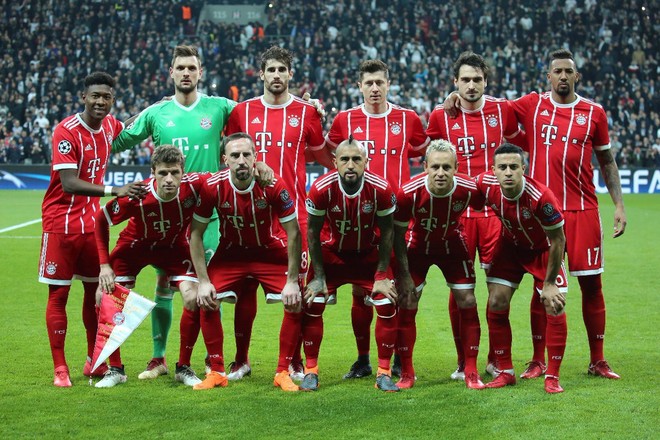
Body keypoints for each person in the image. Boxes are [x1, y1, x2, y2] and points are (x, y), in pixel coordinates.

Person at [112, 45, 241, 381]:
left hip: (206, 216)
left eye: (192, 68)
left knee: (207, 287)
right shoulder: (156, 113)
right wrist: (88, 123)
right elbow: (115, 140)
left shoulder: (221, 108)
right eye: (180, 67)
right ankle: (159, 359)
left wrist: (309, 106)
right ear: (171, 72)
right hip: (166, 215)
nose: (186, 73)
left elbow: (261, 114)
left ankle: (206, 361)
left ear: (200, 73)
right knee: (163, 283)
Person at [507, 49, 626, 379]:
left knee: (592, 286)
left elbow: (607, 161)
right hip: (543, 214)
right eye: (556, 71)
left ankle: (597, 360)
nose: (562, 76)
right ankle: (536, 359)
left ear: (576, 77)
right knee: (540, 287)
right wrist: (454, 97)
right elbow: (492, 108)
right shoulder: (532, 105)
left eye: (567, 71)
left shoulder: (594, 112)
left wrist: (618, 205)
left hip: (583, 210)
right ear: (548, 76)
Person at [223, 46, 331, 381]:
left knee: (295, 291)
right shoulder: (242, 111)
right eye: (271, 70)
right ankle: (241, 359)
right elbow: (228, 156)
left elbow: (322, 155)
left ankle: (294, 361)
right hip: (251, 215)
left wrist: (323, 117)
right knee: (246, 289)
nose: (276, 76)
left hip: (293, 215)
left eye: (282, 70)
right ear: (262, 74)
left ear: (289, 74)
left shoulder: (306, 112)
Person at [39, 72, 145, 387]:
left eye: (106, 97)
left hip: (90, 226)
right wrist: (115, 191)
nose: (100, 101)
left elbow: (129, 122)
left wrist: (160, 105)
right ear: (84, 97)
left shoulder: (110, 126)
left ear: (112, 101)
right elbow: (69, 183)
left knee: (93, 295)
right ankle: (60, 369)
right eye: (95, 95)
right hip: (60, 224)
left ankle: (93, 360)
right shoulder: (65, 131)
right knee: (58, 294)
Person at [324, 59, 429, 379]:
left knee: (396, 288)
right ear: (359, 86)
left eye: (379, 83)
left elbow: (424, 151)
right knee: (360, 291)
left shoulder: (407, 119)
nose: (374, 88)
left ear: (388, 84)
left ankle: (397, 358)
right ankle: (363, 359)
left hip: (396, 220)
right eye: (368, 83)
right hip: (359, 220)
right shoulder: (345, 120)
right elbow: (334, 161)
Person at [427, 51, 524, 381]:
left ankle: (497, 359)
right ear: (455, 82)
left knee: (498, 290)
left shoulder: (503, 110)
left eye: (477, 79)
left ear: (486, 81)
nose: (471, 85)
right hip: (458, 216)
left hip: (496, 215)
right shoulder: (440, 117)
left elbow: (530, 131)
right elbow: (430, 159)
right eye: (465, 79)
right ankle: (462, 360)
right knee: (460, 291)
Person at [93, 146, 222, 389]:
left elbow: (226, 176)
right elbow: (102, 220)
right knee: (105, 295)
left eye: (175, 172)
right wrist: (104, 265)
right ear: (153, 172)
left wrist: (259, 167)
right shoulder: (137, 194)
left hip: (174, 247)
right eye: (163, 173)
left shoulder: (194, 186)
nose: (169, 179)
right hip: (135, 246)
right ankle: (116, 369)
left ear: (184, 172)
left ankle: (183, 366)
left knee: (194, 297)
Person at [190, 133, 303, 392]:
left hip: (269, 252)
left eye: (246, 154)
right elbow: (195, 233)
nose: (241, 160)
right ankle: (217, 371)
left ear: (255, 158)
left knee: (296, 301)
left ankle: (283, 371)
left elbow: (294, 232)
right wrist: (203, 280)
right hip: (232, 253)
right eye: (235, 155)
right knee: (206, 298)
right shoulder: (212, 186)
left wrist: (292, 281)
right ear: (225, 160)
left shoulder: (273, 184)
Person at [302, 137, 399, 392]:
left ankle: (383, 372)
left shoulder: (380, 188)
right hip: (332, 255)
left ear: (366, 162)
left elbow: (388, 233)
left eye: (356, 159)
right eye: (344, 159)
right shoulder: (321, 188)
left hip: (368, 255)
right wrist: (319, 275)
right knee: (312, 301)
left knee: (387, 301)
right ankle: (310, 371)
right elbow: (312, 233)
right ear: (335, 162)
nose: (350, 164)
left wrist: (381, 274)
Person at [474, 143, 568, 394]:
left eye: (513, 167)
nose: (507, 172)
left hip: (544, 250)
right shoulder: (484, 184)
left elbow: (559, 239)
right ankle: (506, 370)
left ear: (523, 169)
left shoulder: (541, 197)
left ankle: (553, 376)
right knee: (496, 301)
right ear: (493, 170)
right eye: (502, 167)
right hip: (510, 248)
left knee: (553, 304)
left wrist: (549, 284)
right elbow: (462, 193)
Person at [393, 140, 484, 390]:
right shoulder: (408, 192)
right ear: (425, 167)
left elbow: (486, 204)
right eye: (435, 167)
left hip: (452, 244)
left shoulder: (468, 189)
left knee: (467, 300)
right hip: (417, 246)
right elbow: (397, 235)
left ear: (456, 167)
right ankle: (407, 372)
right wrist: (402, 274)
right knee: (408, 300)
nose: (441, 172)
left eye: (446, 167)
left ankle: (471, 370)